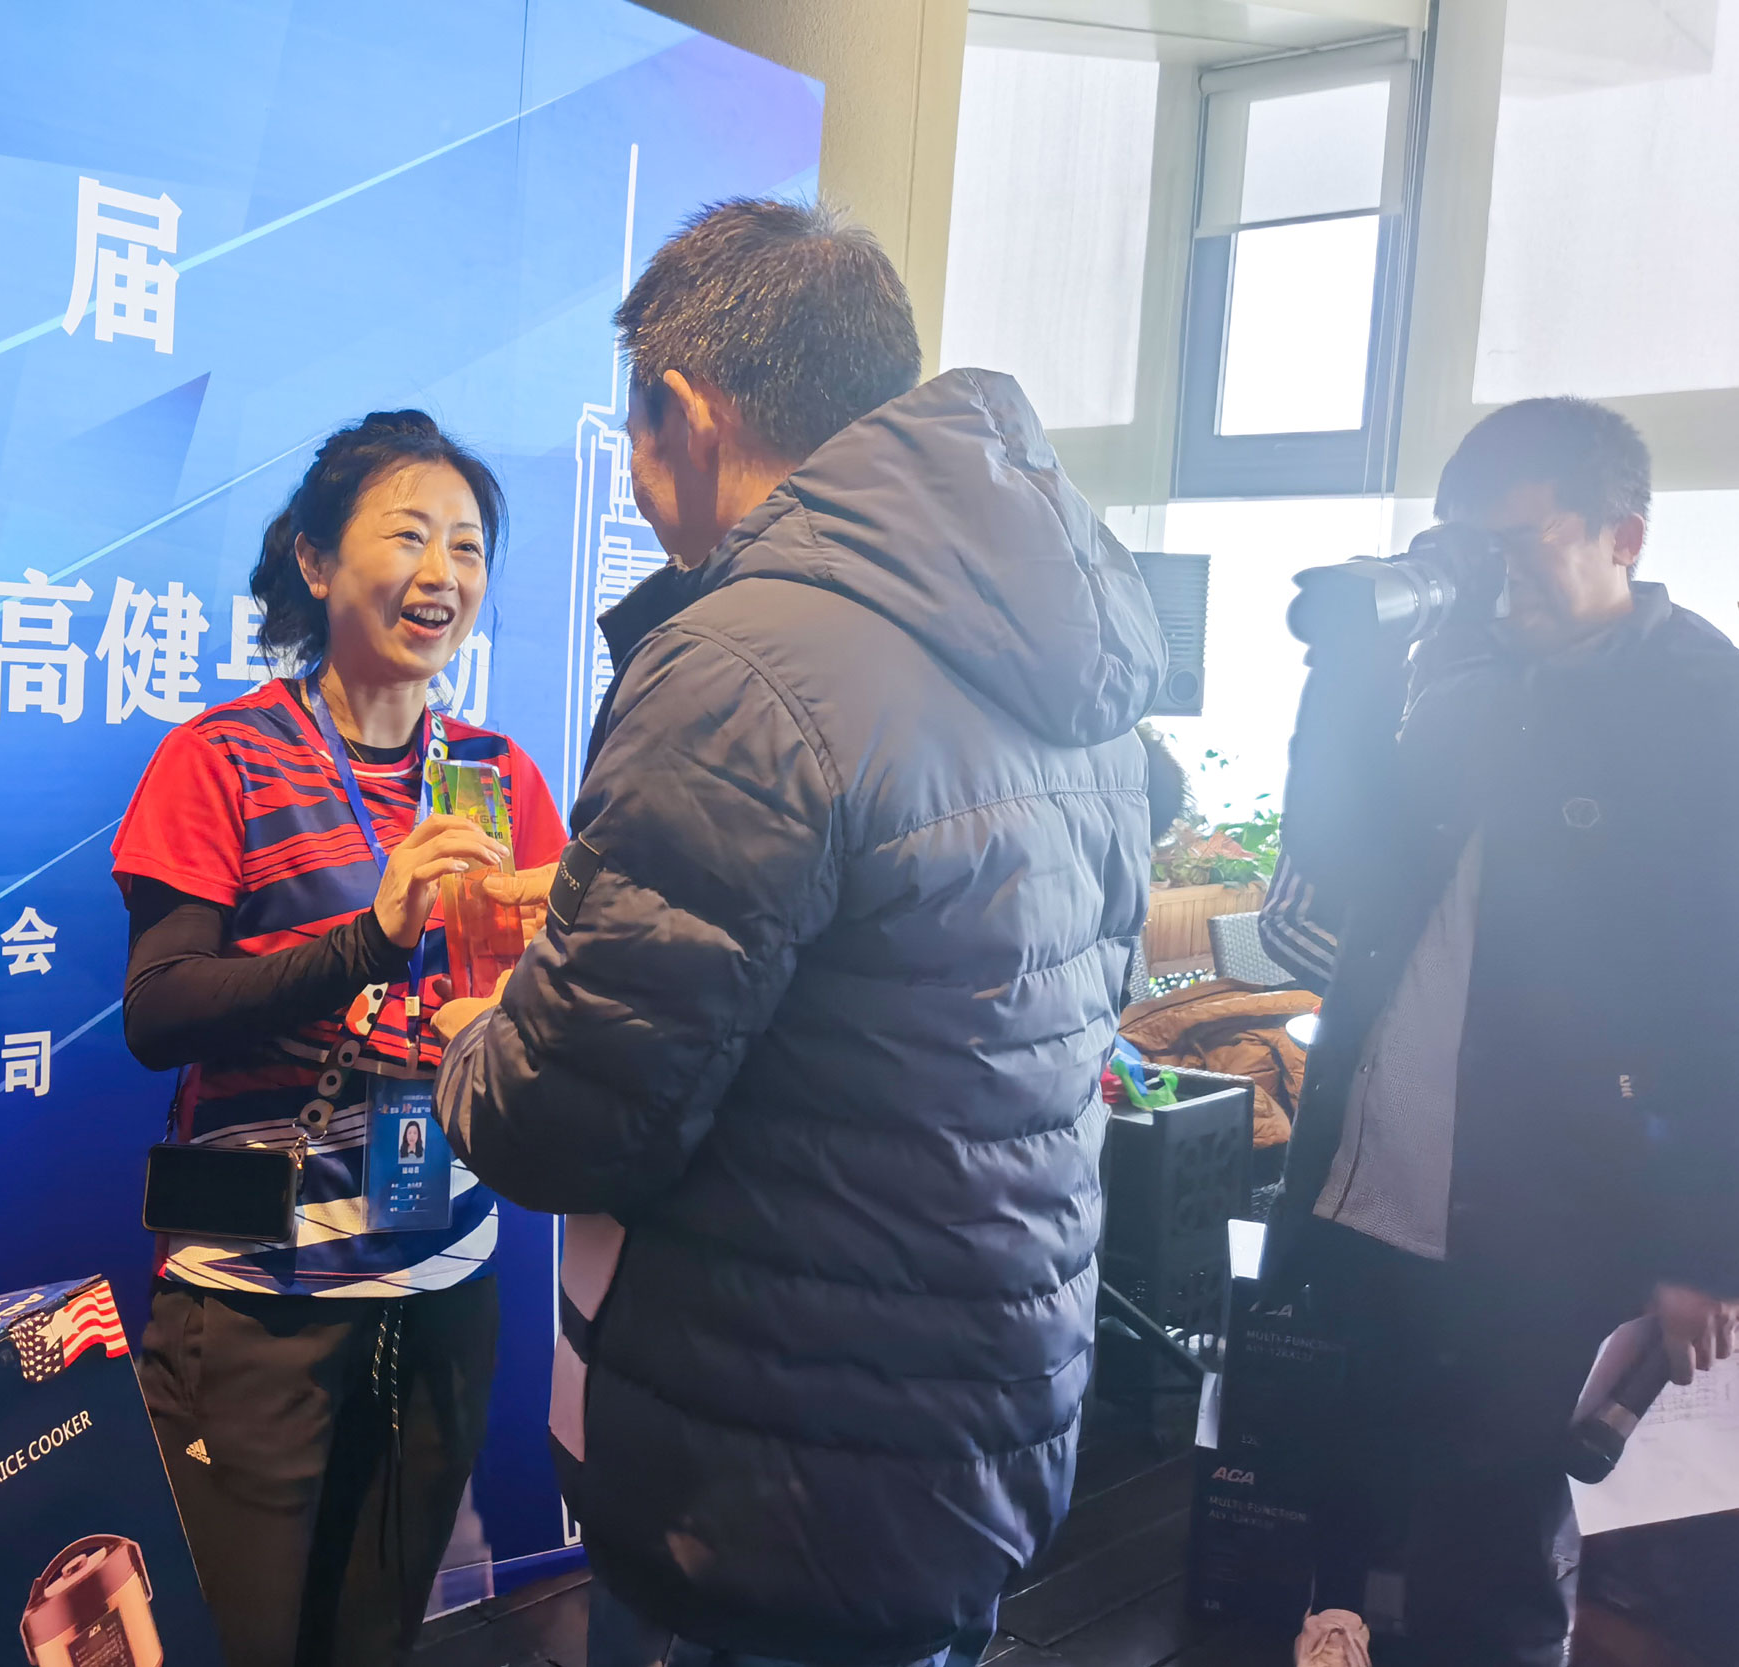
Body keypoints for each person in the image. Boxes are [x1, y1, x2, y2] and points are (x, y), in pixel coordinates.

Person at [430, 200, 1163, 1667]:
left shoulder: (742, 657)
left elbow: (569, 1121)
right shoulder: (1057, 644)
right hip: (965, 1420)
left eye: (634, 438)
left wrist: (477, 1037)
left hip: (770, 1470)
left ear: (686, 412)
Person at [1260, 397, 1739, 1667]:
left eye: (1513, 544)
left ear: (1623, 535)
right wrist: (1349, 672)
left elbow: (1724, 991)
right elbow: (1338, 853)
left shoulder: (1705, 707)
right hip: (1378, 1184)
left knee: (1492, 1536)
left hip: (1547, 1206)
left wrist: (1704, 1242)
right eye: (1457, 547)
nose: (1482, 578)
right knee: (1344, 1503)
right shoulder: (1457, 679)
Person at [110, 410, 565, 1667]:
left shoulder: (498, 774)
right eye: (408, 535)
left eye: (467, 546)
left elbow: (543, 997)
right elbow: (159, 1010)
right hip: (257, 1300)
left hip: (445, 1285)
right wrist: (371, 935)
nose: (443, 573)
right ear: (313, 560)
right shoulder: (222, 758)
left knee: (373, 1642)